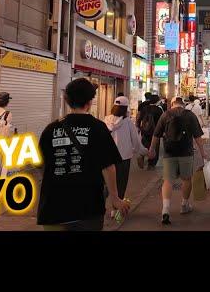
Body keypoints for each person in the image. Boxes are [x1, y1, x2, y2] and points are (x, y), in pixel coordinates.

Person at [37, 78, 130, 231]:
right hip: (88, 207)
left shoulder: (51, 129)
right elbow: (108, 167)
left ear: (67, 100)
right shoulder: (98, 128)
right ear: (90, 101)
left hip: (53, 206)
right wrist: (115, 198)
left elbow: (40, 163)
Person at [148, 96, 208, 225]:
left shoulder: (165, 114)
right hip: (186, 152)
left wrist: (152, 149)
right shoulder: (190, 115)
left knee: (168, 181)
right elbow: (198, 136)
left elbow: (156, 134)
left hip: (169, 153)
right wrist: (203, 153)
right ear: (183, 104)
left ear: (172, 104)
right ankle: (184, 204)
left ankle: (165, 209)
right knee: (186, 179)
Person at [105, 95, 148, 217]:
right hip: (123, 157)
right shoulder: (128, 122)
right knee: (121, 184)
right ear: (125, 108)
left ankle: (100, 207)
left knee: (107, 183)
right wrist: (145, 152)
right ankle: (116, 211)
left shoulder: (106, 120)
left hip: (107, 158)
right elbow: (136, 142)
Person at [136, 94, 164, 170]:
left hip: (145, 131)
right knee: (154, 147)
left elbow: (139, 118)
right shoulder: (159, 109)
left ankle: (141, 156)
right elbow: (161, 122)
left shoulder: (144, 108)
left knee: (145, 144)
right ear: (157, 101)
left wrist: (138, 127)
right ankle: (151, 164)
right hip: (155, 132)